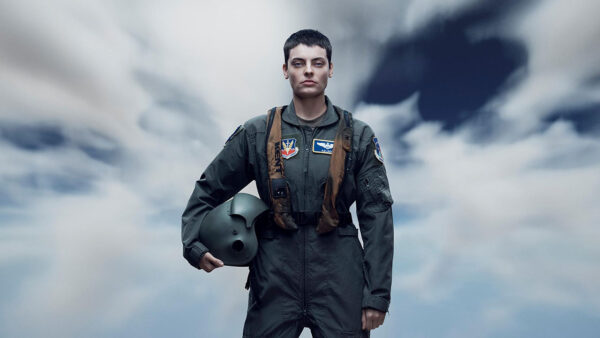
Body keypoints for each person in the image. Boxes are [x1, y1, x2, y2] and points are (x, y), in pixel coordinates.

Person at [182, 29, 394, 338]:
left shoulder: (358, 136)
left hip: (339, 273)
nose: (308, 70)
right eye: (298, 63)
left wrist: (376, 294)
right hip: (274, 274)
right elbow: (208, 188)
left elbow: (377, 215)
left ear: (330, 69)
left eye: (318, 62)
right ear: (285, 70)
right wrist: (193, 245)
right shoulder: (257, 133)